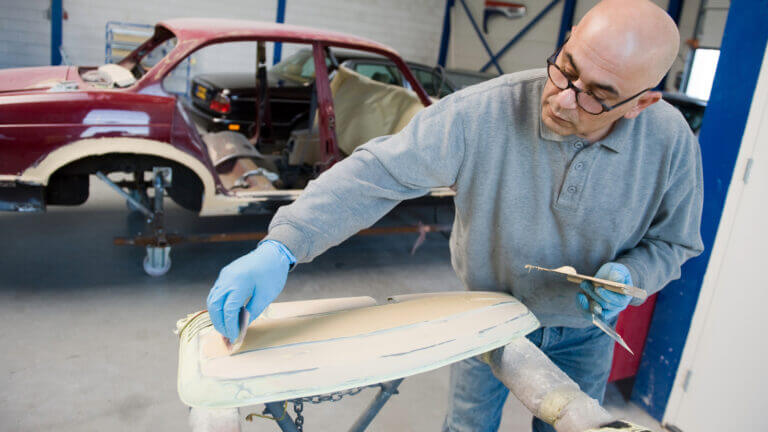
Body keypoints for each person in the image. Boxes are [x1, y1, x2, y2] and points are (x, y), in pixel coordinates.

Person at [206, 0, 704, 430]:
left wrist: (632, 275)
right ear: (568, 37)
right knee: (467, 427)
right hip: (486, 316)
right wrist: (283, 245)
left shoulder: (670, 144)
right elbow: (377, 172)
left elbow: (675, 242)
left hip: (585, 334)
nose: (565, 98)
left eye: (597, 95)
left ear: (643, 103)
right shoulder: (482, 115)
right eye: (566, 68)